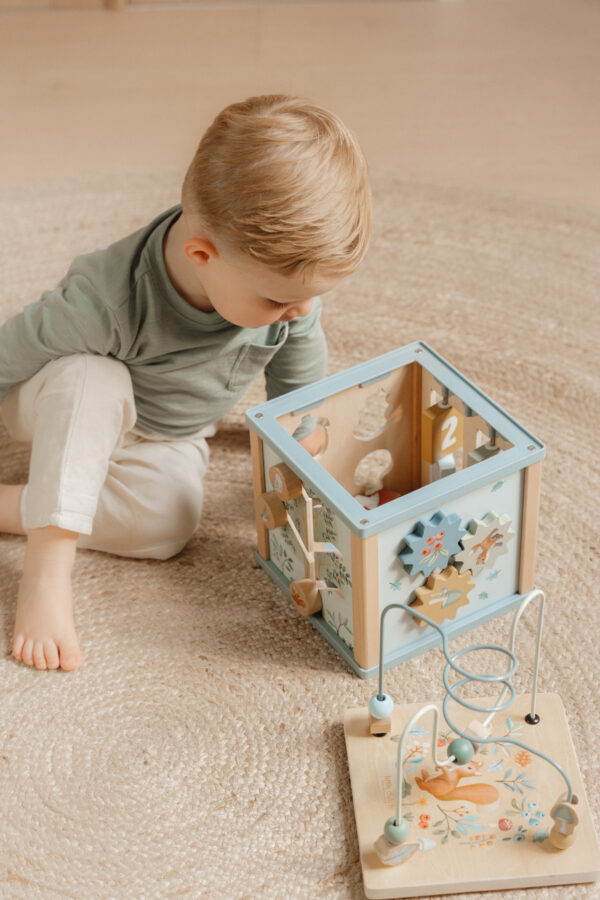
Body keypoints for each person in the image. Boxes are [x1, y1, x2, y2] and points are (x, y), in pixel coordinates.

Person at [0, 94, 371, 672]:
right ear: (202, 254)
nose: (298, 312)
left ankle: (21, 506)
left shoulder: (289, 301)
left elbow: (298, 378)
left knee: (170, 524)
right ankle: (49, 565)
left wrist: (302, 431)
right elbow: (12, 351)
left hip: (170, 431)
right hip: (62, 400)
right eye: (279, 300)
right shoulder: (106, 300)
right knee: (91, 378)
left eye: (309, 299)